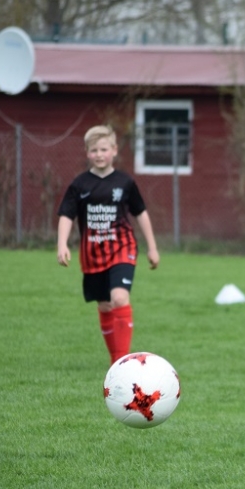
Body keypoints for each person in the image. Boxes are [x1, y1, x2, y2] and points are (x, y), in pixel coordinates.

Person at [57, 125, 160, 364]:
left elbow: (141, 213)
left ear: (114, 150)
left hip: (123, 249)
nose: (99, 154)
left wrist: (152, 247)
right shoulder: (80, 184)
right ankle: (116, 360)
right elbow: (66, 215)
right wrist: (62, 244)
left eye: (104, 149)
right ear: (87, 152)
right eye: (94, 150)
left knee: (119, 299)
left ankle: (121, 361)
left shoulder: (125, 182)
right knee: (104, 305)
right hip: (92, 254)